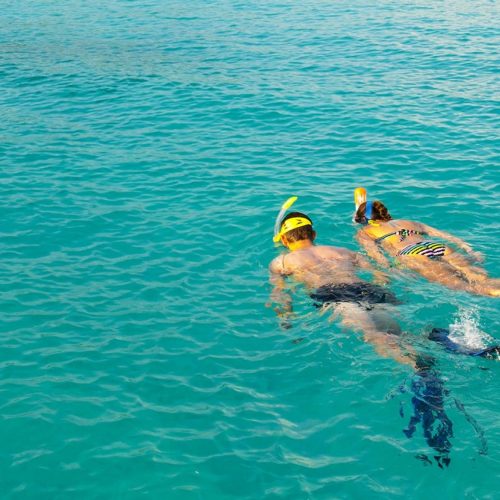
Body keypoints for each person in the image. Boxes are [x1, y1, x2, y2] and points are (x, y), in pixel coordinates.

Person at [269, 211, 414, 366]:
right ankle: (422, 358)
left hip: (336, 295)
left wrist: (286, 320)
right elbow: (381, 276)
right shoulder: (344, 251)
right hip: (369, 290)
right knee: (396, 334)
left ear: (284, 240)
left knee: (373, 336)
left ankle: (419, 370)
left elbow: (281, 295)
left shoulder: (281, 262)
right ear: (314, 234)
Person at [354, 200, 500, 297]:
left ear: (363, 219)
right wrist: (469, 250)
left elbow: (377, 256)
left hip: (411, 252)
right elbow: (445, 235)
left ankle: (492, 292)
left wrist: (388, 271)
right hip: (437, 246)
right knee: (479, 277)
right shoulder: (407, 222)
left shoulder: (365, 232)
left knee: (459, 284)